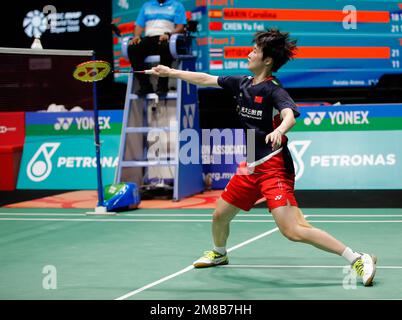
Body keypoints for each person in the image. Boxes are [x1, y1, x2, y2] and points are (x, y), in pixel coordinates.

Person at [151, 28, 377, 286]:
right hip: (250, 165)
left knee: (293, 230)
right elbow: (205, 79)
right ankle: (219, 254)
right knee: (219, 216)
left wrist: (280, 129)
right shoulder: (242, 83)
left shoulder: (273, 90)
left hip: (273, 166)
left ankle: (357, 257)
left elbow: (290, 114)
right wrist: (170, 72)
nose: (249, 53)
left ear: (267, 60)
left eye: (255, 51)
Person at [127, 0, 187, 96]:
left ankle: (162, 86)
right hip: (149, 38)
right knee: (132, 48)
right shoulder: (146, 5)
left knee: (165, 47)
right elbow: (139, 25)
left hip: (166, 37)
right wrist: (137, 36)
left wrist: (169, 34)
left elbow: (180, 27)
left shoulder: (177, 5)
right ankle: (145, 86)